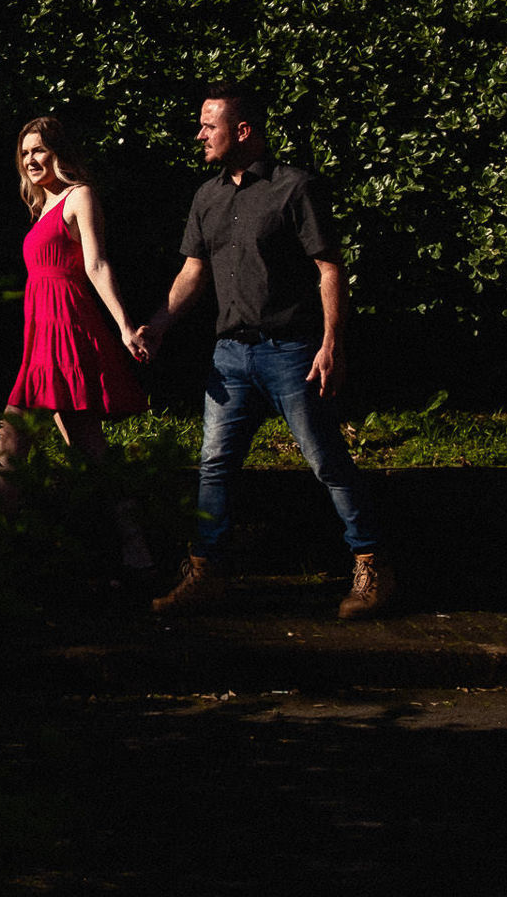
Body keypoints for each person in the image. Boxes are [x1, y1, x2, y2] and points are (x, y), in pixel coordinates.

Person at [136, 81, 396, 620]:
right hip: (229, 356)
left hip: (291, 352)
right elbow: (194, 271)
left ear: (244, 130)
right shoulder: (206, 195)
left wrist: (332, 344)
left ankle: (373, 567)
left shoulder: (293, 188)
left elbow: (329, 268)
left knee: (326, 460)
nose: (200, 134)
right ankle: (207, 573)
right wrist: (158, 323)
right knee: (214, 465)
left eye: (210, 125)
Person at [0, 116, 152, 577]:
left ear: (59, 153)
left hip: (66, 332)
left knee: (20, 437)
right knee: (83, 446)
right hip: (41, 335)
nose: (31, 159)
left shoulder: (79, 197)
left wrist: (125, 326)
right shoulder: (42, 208)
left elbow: (96, 263)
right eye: (26, 152)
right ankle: (135, 544)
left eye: (40, 150)